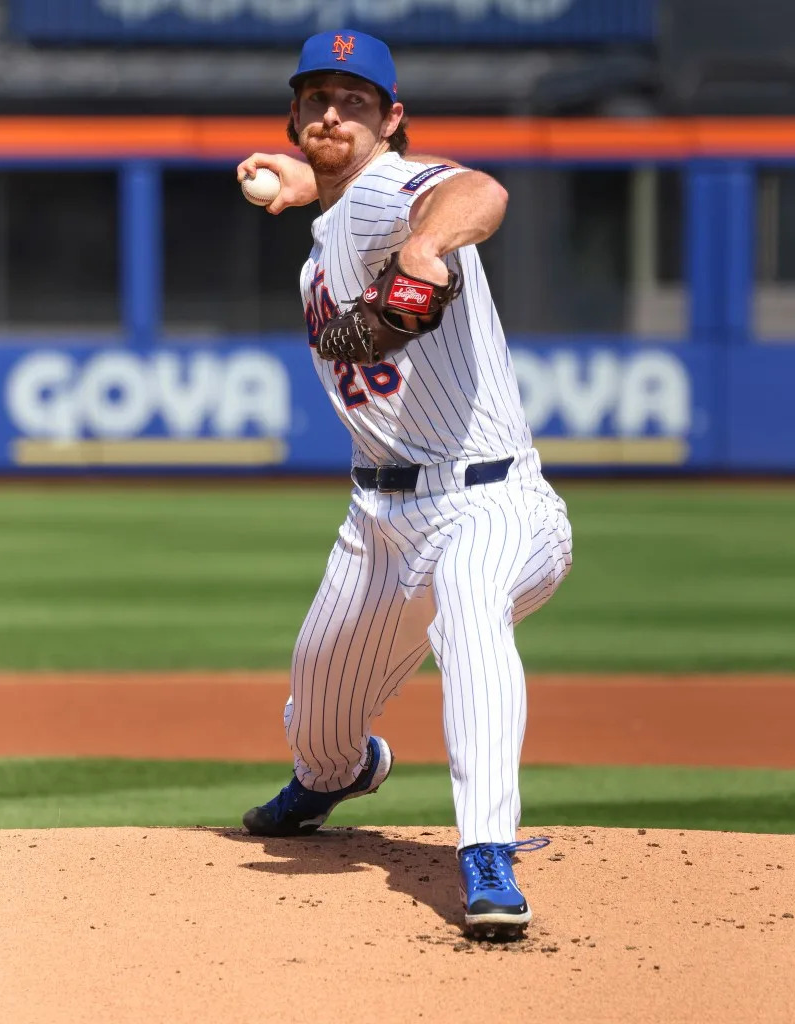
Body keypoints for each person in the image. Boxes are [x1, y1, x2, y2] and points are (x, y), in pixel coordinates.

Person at [238, 28, 573, 941]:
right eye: (316, 100)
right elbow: (349, 210)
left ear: (392, 121)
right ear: (295, 117)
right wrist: (313, 186)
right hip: (377, 519)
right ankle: (337, 775)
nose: (332, 114)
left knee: (468, 604)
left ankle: (487, 854)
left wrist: (425, 245)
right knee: (318, 709)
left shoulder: (394, 188)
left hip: (492, 502)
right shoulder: (328, 236)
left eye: (355, 102)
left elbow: (480, 192)